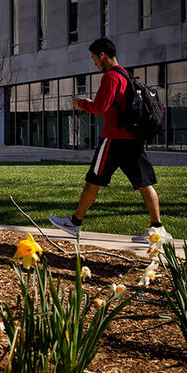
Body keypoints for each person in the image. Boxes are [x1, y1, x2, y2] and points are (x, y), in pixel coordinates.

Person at [49, 38, 165, 243]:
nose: (94, 63)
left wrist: (81, 103)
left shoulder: (111, 77)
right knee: (145, 183)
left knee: (93, 181)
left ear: (102, 55)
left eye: (94, 58)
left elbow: (101, 107)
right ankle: (158, 229)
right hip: (132, 139)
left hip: (113, 139)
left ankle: (75, 224)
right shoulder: (125, 75)